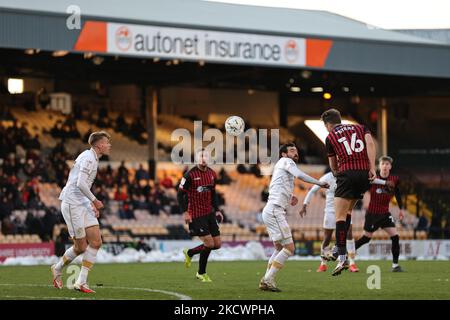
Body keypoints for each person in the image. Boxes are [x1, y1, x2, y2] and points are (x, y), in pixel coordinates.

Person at [259, 143, 329, 292]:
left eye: (296, 150)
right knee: (289, 248)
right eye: (291, 150)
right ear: (284, 154)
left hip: (272, 210)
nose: (295, 152)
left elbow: (276, 185)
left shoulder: (281, 166)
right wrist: (319, 182)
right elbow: (300, 175)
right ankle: (268, 279)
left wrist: (289, 196)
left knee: (278, 248)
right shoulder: (286, 161)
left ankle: (266, 280)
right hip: (274, 211)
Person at [51, 131, 111, 293]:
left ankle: (81, 282)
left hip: (82, 203)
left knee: (96, 242)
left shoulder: (91, 157)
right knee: (80, 247)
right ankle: (57, 268)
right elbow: (80, 184)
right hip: (72, 204)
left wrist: (89, 203)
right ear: (99, 145)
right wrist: (95, 201)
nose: (109, 145)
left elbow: (83, 185)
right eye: (106, 142)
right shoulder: (89, 158)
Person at [321, 108, 376, 276]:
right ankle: (341, 249)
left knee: (339, 217)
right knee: (349, 211)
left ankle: (342, 256)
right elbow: (370, 144)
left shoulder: (330, 137)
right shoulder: (361, 128)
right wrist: (372, 167)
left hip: (347, 174)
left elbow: (333, 164)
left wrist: (338, 174)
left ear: (328, 124)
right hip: (363, 175)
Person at [301, 170, 388, 273]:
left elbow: (368, 180)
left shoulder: (347, 176)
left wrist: (385, 183)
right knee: (327, 238)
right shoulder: (326, 178)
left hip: (344, 211)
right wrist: (305, 204)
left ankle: (352, 263)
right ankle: (323, 264)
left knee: (349, 235)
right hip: (330, 212)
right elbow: (312, 190)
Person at [177, 148, 223, 282]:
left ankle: (190, 252)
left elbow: (213, 193)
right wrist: (185, 212)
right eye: (201, 156)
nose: (204, 159)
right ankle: (201, 273)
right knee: (209, 244)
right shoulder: (189, 175)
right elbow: (180, 194)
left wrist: (218, 209)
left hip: (209, 213)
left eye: (206, 156)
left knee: (217, 244)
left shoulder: (212, 174)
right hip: (196, 214)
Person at [354, 156, 405, 272]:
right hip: (372, 214)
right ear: (379, 166)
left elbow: (397, 193)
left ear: (390, 166)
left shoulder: (395, 179)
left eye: (387, 164)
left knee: (395, 237)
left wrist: (401, 209)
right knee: (366, 238)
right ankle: (348, 253)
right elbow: (362, 188)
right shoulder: (373, 178)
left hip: (385, 214)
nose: (385, 166)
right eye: (383, 164)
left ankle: (395, 265)